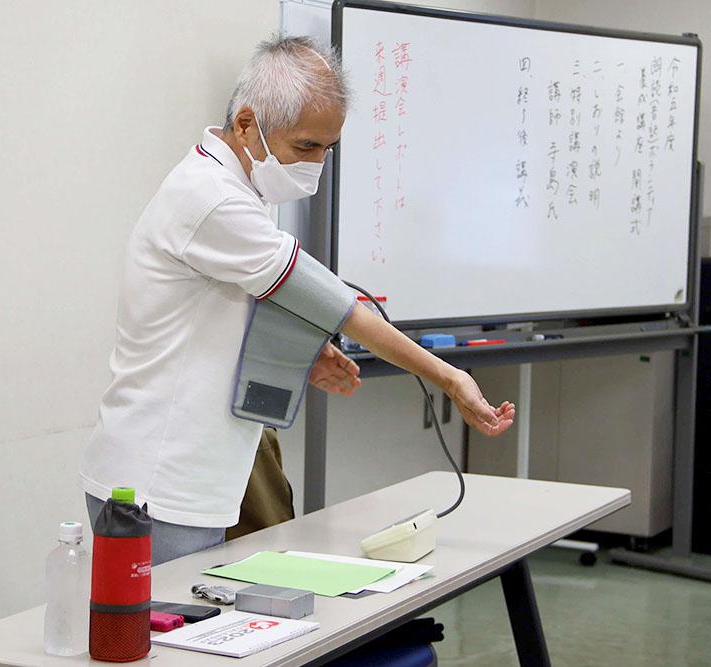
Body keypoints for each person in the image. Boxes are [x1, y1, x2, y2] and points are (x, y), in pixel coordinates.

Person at [80, 35, 515, 565]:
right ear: (246, 125)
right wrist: (447, 376)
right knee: (171, 643)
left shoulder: (239, 186)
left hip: (197, 470)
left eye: (327, 150)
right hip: (158, 479)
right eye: (306, 147)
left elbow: (221, 308)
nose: (316, 164)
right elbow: (333, 303)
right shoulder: (212, 199)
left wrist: (302, 354)